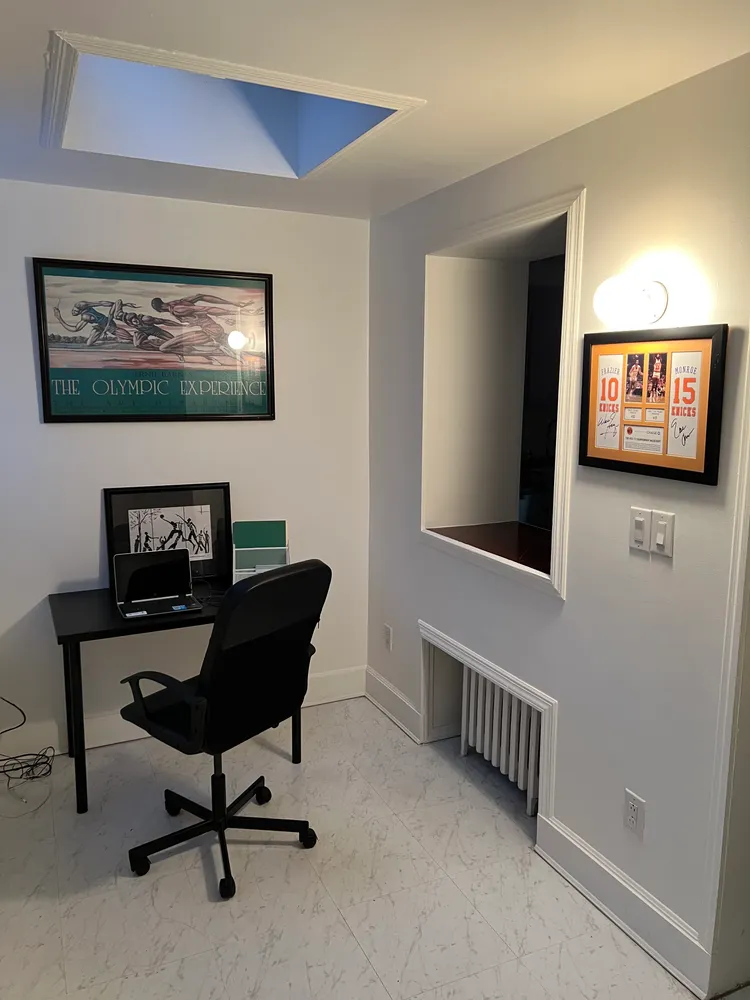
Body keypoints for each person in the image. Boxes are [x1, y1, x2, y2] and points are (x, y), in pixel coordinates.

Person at [151, 293, 252, 356]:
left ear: (159, 310)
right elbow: (200, 296)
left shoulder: (176, 309)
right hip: (212, 330)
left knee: (163, 348)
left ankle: (213, 353)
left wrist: (234, 312)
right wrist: (232, 303)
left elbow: (205, 309)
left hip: (210, 332)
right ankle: (219, 350)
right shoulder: (178, 302)